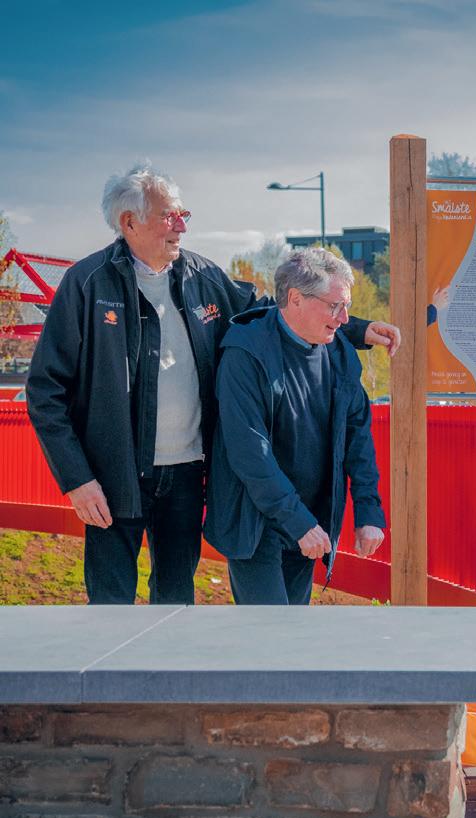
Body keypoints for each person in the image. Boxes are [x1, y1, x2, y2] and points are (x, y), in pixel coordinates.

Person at [26, 163, 398, 605]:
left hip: (186, 474)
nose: (182, 226)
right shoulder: (87, 284)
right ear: (129, 222)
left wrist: (355, 329)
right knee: (110, 605)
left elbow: (278, 311)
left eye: (183, 214)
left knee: (176, 601)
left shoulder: (203, 277)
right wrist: (77, 478)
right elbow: (45, 391)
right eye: (170, 216)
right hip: (112, 477)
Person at [204, 249, 385, 604]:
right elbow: (249, 453)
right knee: (270, 630)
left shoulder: (338, 352)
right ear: (295, 299)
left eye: (346, 306)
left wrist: (369, 511)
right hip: (256, 522)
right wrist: (297, 521)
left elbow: (358, 437)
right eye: (335, 306)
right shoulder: (246, 353)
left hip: (308, 518)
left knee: (294, 628)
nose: (344, 318)